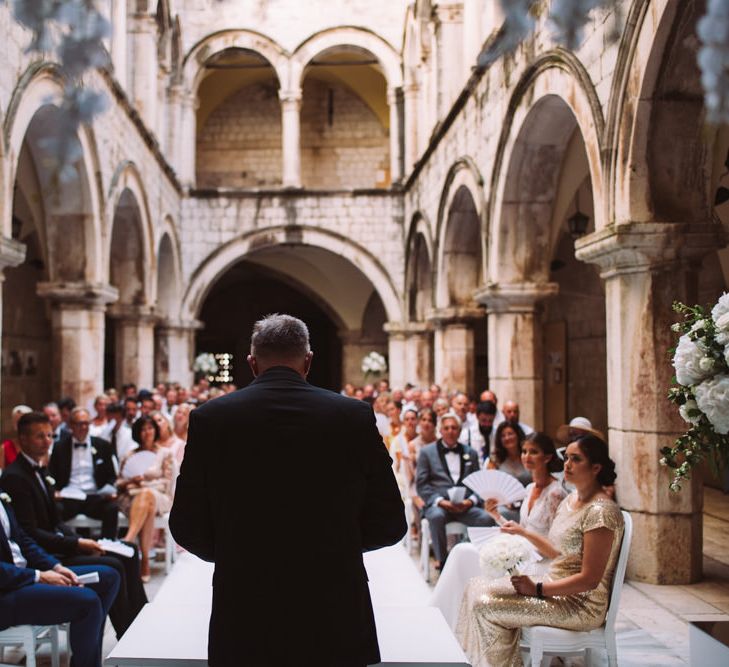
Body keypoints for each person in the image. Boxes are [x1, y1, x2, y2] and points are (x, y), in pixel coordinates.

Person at [170, 314, 406, 666]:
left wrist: (238, 551)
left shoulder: (210, 418)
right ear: (308, 361)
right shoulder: (352, 416)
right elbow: (390, 521)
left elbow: (186, 524)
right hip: (333, 599)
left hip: (245, 600)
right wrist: (336, 544)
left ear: (252, 364)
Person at [456, 435, 624, 667]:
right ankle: (476, 662)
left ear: (595, 467)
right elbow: (556, 551)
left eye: (576, 459)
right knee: (475, 586)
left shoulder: (601, 511)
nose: (567, 464)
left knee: (485, 604)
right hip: (555, 583)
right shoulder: (571, 500)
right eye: (566, 458)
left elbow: (590, 579)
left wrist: (537, 588)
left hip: (580, 604)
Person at [1, 412, 147, 637]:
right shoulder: (15, 477)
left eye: (49, 435)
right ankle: (127, 632)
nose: (47, 441)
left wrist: (82, 541)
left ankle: (140, 621)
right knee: (114, 565)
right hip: (48, 553)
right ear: (23, 439)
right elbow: (30, 533)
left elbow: (56, 522)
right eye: (40, 436)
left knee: (129, 551)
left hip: (58, 544)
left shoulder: (41, 470)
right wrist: (76, 544)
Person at [431, 432, 567, 629]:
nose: (526, 457)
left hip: (539, 564)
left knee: (464, 553)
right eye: (524, 451)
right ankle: (450, 620)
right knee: (461, 552)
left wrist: (522, 534)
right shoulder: (529, 488)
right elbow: (522, 529)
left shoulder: (555, 493)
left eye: (533, 452)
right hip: (520, 552)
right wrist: (496, 515)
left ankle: (456, 622)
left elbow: (555, 550)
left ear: (547, 457)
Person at [0, 492, 120, 667]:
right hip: (7, 592)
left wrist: (56, 567)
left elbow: (24, 541)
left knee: (108, 577)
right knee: (87, 602)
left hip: (23, 575)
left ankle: (89, 658)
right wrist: (39, 576)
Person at [416, 411, 494, 570]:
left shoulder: (470, 453)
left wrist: (470, 501)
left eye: (454, 428)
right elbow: (422, 485)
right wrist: (440, 501)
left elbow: (478, 483)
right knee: (436, 516)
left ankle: (481, 562)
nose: (450, 431)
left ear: (459, 431)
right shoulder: (427, 452)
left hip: (464, 506)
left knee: (485, 518)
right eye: (446, 428)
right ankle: (443, 563)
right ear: (440, 430)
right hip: (439, 505)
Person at [117, 416, 175, 582]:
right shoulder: (129, 455)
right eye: (143, 429)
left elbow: (167, 481)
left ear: (156, 431)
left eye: (150, 428)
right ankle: (144, 563)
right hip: (132, 498)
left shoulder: (165, 453)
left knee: (148, 494)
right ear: (137, 432)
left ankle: (127, 541)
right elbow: (119, 481)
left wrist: (147, 481)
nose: (147, 432)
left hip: (159, 496)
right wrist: (130, 481)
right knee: (146, 502)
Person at [49, 408, 119, 539]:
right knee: (54, 509)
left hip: (94, 496)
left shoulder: (102, 445)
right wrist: (55, 491)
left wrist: (109, 490)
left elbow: (111, 475)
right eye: (79, 424)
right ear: (71, 425)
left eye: (86, 423)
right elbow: (51, 475)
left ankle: (108, 548)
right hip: (69, 497)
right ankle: (65, 547)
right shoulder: (59, 447)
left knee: (112, 508)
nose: (83, 427)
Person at [487, 421, 531, 487]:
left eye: (510, 434)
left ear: (518, 435)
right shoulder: (495, 459)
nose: (507, 438)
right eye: (503, 436)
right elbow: (490, 483)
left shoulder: (528, 454)